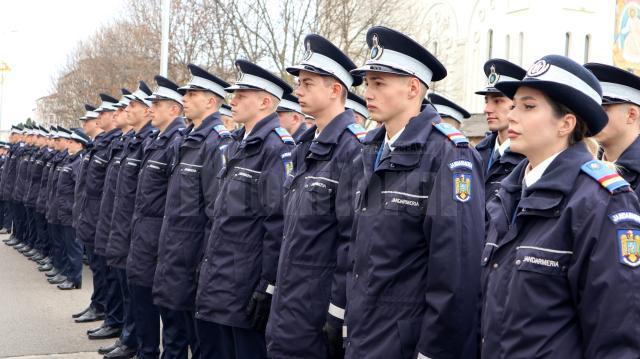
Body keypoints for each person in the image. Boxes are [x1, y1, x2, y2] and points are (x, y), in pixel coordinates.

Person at [481, 54, 640, 358]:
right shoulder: (508, 193)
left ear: (565, 123)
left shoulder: (599, 201)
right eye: (514, 105)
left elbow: (616, 333)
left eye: (528, 107)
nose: (513, 115)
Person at [344, 26, 485, 359]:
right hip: (367, 334)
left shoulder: (448, 154)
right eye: (367, 83)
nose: (368, 92)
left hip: (406, 342)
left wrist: (435, 350)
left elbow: (456, 271)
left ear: (412, 88)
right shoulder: (371, 150)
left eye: (379, 83)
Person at [266, 33, 364, 359]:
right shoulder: (306, 145)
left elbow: (352, 240)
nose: (297, 91)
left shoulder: (353, 148)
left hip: (316, 309)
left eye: (307, 83)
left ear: (335, 90)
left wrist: (338, 310)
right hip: (290, 303)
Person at [195, 59, 293, 359]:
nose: (232, 100)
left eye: (241, 95)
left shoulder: (276, 147)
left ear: (265, 102)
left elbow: (276, 224)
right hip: (223, 276)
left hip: (246, 281)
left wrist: (266, 286)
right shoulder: (238, 143)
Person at [152, 65, 230, 359]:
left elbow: (213, 210)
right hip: (175, 252)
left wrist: (202, 261)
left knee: (199, 340)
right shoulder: (188, 139)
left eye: (192, 93)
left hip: (193, 256)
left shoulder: (215, 142)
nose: (184, 97)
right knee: (174, 328)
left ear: (211, 101)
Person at [127, 76, 186, 359]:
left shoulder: (176, 142)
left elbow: (175, 200)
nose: (152, 109)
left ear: (174, 109)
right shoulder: (157, 140)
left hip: (160, 236)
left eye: (157, 104)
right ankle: (145, 350)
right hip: (144, 233)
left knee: (169, 309)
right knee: (141, 297)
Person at [103, 83, 156, 359]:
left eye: (132, 106)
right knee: (129, 291)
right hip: (125, 225)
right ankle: (128, 337)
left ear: (147, 111)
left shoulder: (151, 141)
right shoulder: (131, 141)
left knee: (141, 297)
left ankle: (135, 341)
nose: (126, 110)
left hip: (141, 231)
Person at [474, 59, 527, 201]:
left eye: (497, 101)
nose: (487, 109)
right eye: (486, 101)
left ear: (516, 104)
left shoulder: (528, 157)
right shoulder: (477, 152)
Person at [586, 62, 640, 194]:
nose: (592, 117)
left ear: (631, 115)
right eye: (590, 109)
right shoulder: (585, 162)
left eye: (602, 110)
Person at [54, 128, 90, 290]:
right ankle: (68, 274)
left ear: (80, 145)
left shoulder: (78, 162)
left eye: (72, 142)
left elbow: (80, 189)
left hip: (71, 211)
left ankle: (74, 279)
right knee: (66, 245)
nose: (69, 144)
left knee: (74, 248)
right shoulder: (71, 160)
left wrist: (72, 208)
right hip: (64, 210)